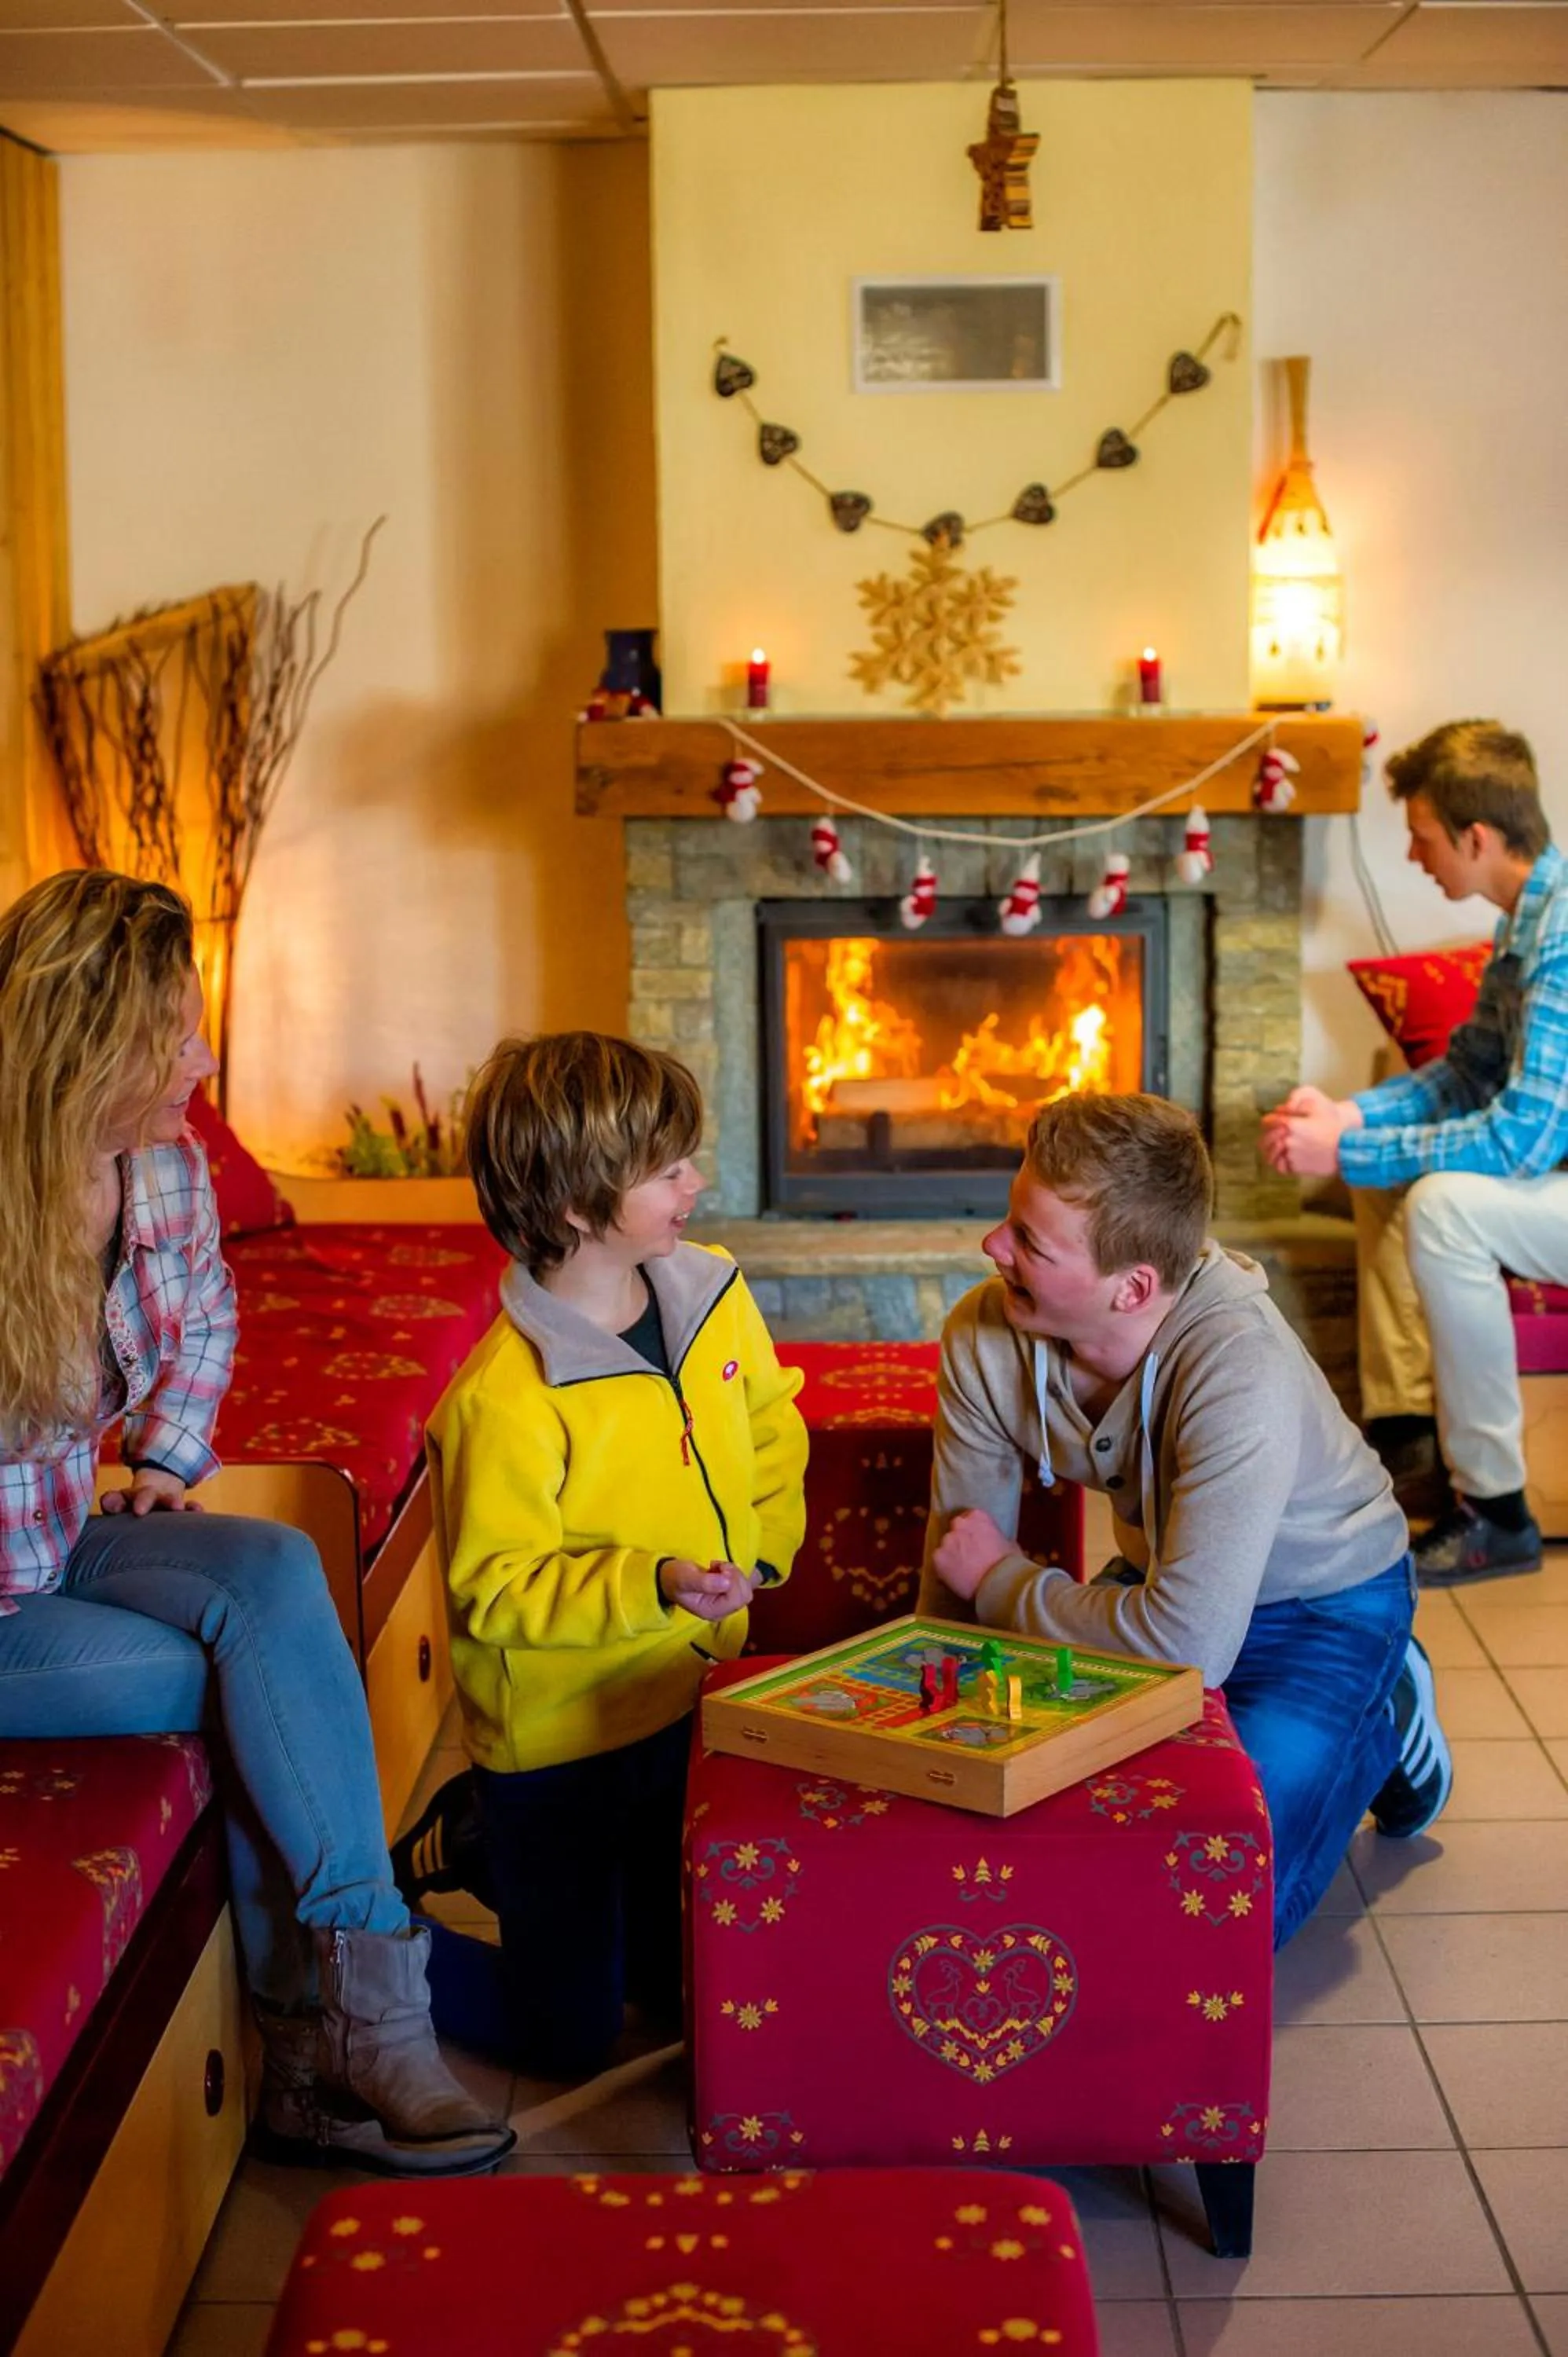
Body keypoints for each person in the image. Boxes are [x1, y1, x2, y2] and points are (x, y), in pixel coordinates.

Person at [0, 870, 511, 2177]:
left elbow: (212, 1313)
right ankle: (341, 2039)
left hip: (54, 1541)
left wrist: (168, 1457)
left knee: (275, 1571)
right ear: (86, 1038)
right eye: (174, 1032)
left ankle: (337, 2030)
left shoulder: (155, 1167)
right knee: (264, 1683)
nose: (205, 1057)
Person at [921, 1091, 1450, 1952]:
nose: (992, 1247)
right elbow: (956, 1565)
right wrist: (938, 1742)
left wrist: (1004, 1583)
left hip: (1325, 1600)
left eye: (1029, 1242)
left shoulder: (1241, 1370)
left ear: (1132, 1288)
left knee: (1218, 1903)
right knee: (1070, 1832)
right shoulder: (984, 1335)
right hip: (1172, 1582)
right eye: (1008, 1219)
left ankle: (1387, 1709)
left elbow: (1182, 1651)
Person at [404, 1032, 808, 2079]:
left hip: (689, 1688)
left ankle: (537, 1884)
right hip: (556, 1745)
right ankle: (390, 1940)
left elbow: (771, 1425)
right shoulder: (504, 1398)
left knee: (678, 1993)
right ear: (583, 1204)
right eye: (670, 1170)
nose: (699, 1182)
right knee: (570, 2039)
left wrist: (760, 1557)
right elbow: (495, 1591)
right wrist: (653, 1583)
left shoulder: (713, 1290)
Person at [1262, 720, 1566, 1585]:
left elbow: (1518, 1138)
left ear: (1476, 837)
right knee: (1387, 1168)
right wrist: (1347, 1118)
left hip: (1551, 1169)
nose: (1412, 853)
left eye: (1422, 836)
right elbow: (1462, 1074)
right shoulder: (1526, 924)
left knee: (1441, 1203)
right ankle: (1404, 1435)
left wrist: (1347, 1150)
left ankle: (1495, 1513)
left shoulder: (1563, 940)